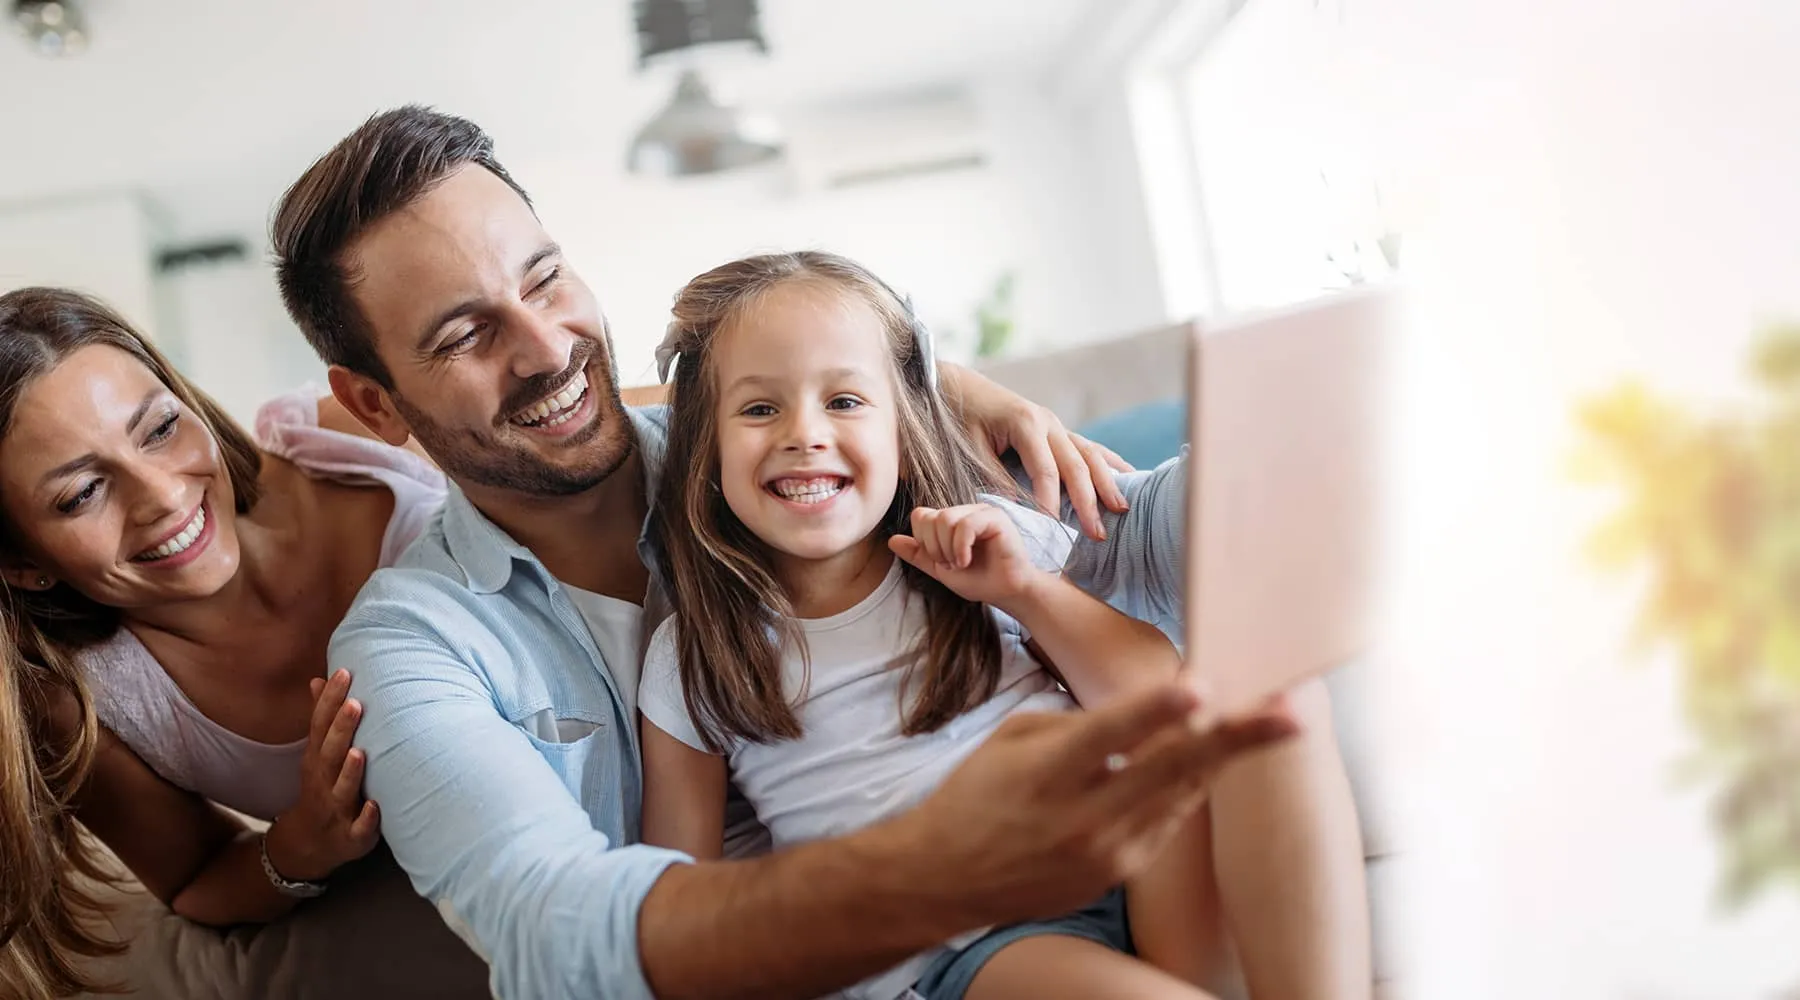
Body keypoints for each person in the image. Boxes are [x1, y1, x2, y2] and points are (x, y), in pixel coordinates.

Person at [279, 104, 1334, 1000]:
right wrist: (933, 868)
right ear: (375, 403)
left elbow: (1146, 544)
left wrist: (933, 390)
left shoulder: (824, 471)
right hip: (937, 952)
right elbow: (559, 930)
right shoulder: (415, 650)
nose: (548, 348)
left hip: (1130, 873)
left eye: (546, 278)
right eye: (463, 335)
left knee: (1272, 658)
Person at [638, 249, 1234, 1000]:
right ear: (706, 447)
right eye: (760, 408)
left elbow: (1157, 698)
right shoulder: (694, 655)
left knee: (1257, 726)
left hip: (1127, 853)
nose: (804, 433)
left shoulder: (987, 541)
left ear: (903, 424)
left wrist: (1023, 590)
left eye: (845, 402)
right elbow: (680, 906)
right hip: (974, 942)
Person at [0, 287, 475, 1000]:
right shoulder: (82, 700)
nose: (160, 495)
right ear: (22, 565)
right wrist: (302, 842)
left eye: (158, 429)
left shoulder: (349, 436)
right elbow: (194, 878)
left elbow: (629, 444)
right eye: (81, 494)